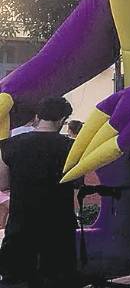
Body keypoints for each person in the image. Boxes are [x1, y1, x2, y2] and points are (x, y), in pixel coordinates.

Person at [0, 97, 79, 287]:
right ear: (62, 120)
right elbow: (77, 184)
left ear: (38, 116)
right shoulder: (71, 148)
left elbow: (3, 184)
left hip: (20, 228)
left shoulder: (7, 146)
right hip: (59, 229)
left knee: (15, 280)